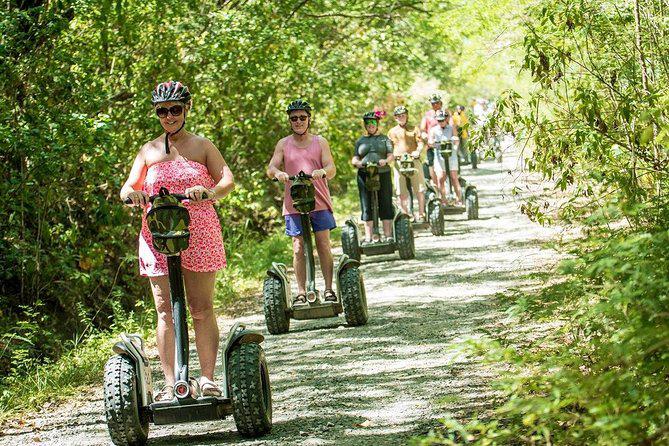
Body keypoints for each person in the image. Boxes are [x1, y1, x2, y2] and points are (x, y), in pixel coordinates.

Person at [120, 81, 235, 401]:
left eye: (175, 109)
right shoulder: (149, 150)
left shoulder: (202, 146)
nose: (168, 116)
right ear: (156, 113)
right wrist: (133, 194)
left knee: (200, 308)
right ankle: (171, 384)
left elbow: (227, 179)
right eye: (162, 111)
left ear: (187, 109)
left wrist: (209, 192)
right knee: (163, 310)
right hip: (157, 232)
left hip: (199, 230)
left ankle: (208, 379)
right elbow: (127, 187)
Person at [267, 99, 337, 305]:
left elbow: (331, 168)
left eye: (302, 118)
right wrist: (278, 173)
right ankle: (301, 292)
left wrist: (322, 171)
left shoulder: (320, 142)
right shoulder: (283, 144)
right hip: (293, 202)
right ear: (289, 121)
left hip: (319, 200)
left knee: (323, 244)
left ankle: (329, 289)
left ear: (309, 119)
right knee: (298, 247)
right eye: (294, 118)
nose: (298, 121)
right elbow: (271, 167)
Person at [352, 111, 395, 244]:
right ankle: (369, 236)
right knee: (366, 204)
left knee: (385, 202)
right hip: (365, 174)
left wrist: (385, 161)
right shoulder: (360, 141)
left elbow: (391, 155)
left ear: (377, 124)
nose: (370, 125)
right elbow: (355, 157)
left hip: (382, 173)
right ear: (365, 125)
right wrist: (357, 163)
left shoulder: (385, 139)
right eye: (368, 123)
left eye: (373, 123)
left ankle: (388, 235)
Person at [387, 105, 426, 220]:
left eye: (403, 115)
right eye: (398, 116)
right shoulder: (392, 131)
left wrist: (418, 151)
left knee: (419, 188)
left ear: (407, 116)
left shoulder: (414, 128)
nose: (401, 117)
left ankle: (421, 214)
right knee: (401, 190)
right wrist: (390, 156)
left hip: (413, 160)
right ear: (395, 118)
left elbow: (420, 142)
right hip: (399, 162)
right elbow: (389, 147)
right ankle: (405, 215)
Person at [420, 94, 456, 188]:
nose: (435, 105)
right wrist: (426, 137)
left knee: (451, 170)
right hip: (432, 145)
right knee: (432, 168)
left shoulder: (446, 113)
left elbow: (452, 125)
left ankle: (454, 189)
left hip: (446, 145)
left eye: (437, 103)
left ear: (441, 103)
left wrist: (454, 139)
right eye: (433, 103)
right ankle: (437, 190)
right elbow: (423, 129)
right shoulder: (427, 115)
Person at [428, 110, 462, 205]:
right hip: (439, 156)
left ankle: (459, 200)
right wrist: (432, 143)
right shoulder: (433, 130)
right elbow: (430, 142)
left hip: (451, 155)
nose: (441, 122)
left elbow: (456, 139)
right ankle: (443, 200)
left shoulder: (451, 128)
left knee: (454, 177)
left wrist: (455, 145)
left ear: (446, 119)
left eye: (443, 120)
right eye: (439, 121)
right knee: (441, 178)